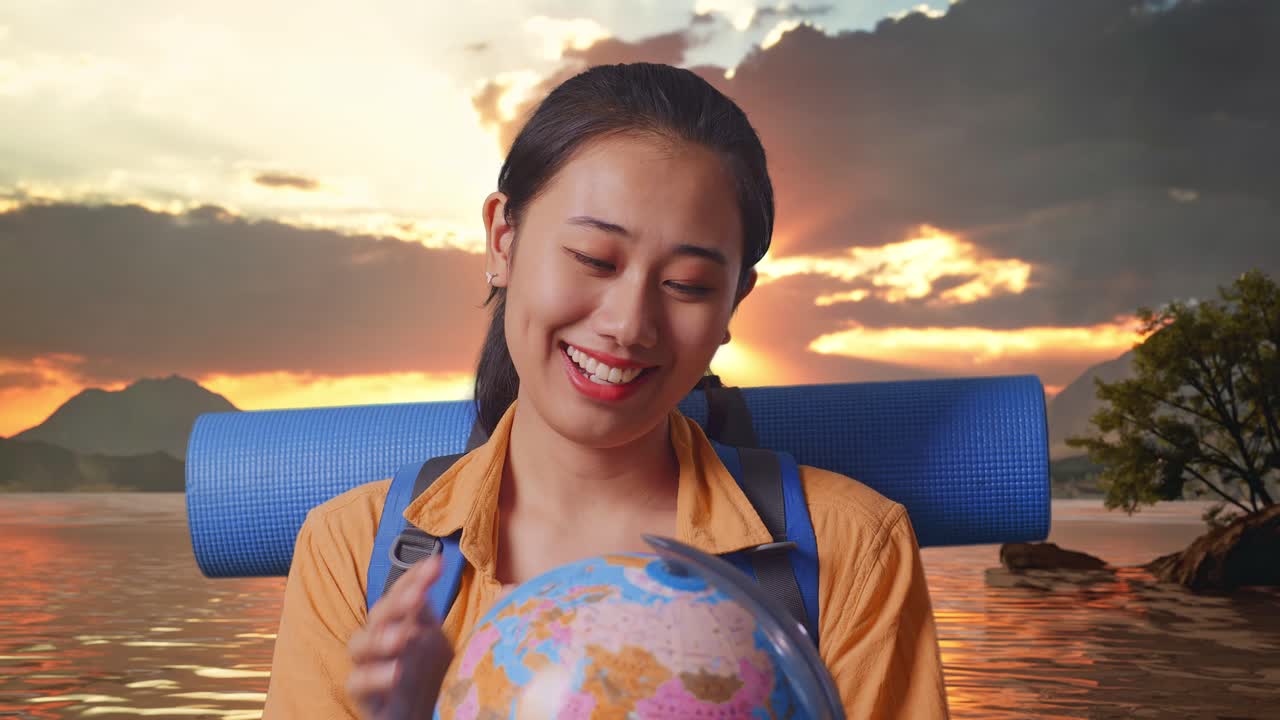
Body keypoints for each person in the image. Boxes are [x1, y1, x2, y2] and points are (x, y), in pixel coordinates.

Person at [262, 62, 950, 719]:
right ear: (503, 239)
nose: (628, 325)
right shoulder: (354, 552)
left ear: (734, 302)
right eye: (595, 260)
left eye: (687, 284)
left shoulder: (851, 549)